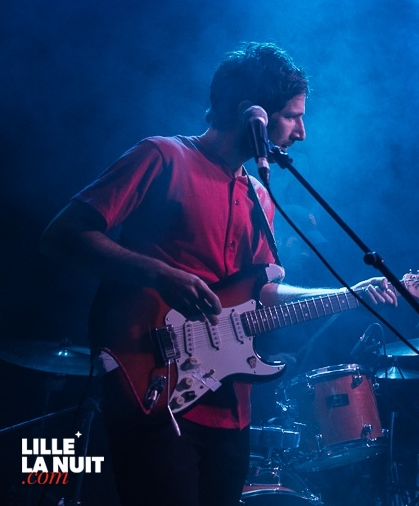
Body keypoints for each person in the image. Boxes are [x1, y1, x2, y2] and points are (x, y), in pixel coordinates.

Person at [39, 42, 398, 506]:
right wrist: (160, 274)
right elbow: (64, 234)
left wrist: (349, 293)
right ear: (255, 115)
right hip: (153, 386)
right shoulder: (162, 157)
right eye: (293, 116)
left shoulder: (259, 197)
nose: (302, 132)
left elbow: (264, 293)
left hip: (231, 406)